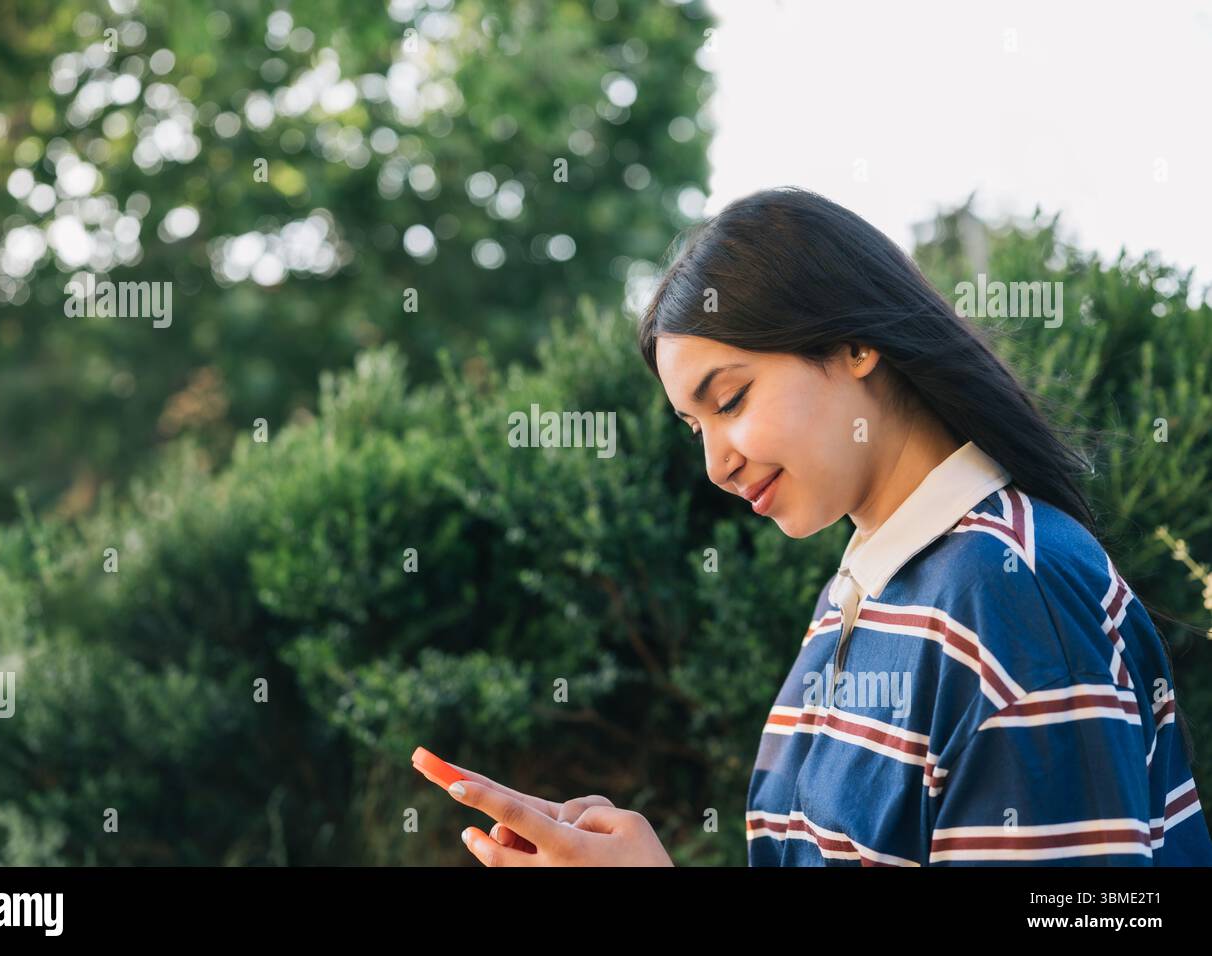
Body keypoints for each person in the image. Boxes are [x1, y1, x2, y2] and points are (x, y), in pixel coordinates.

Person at [440, 187, 1212, 866]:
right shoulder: (866, 588)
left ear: (856, 344)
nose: (716, 463)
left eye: (731, 399)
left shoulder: (1008, 594)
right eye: (693, 424)